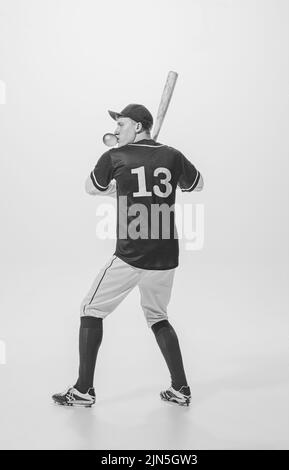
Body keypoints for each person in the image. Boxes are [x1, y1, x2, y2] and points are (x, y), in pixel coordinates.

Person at [52, 104, 204, 408]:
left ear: (137, 126)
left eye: (121, 124)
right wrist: (165, 172)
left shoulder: (115, 157)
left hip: (131, 256)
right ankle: (181, 389)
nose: (116, 130)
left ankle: (83, 390)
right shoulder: (172, 154)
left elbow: (90, 188)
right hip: (166, 256)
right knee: (158, 317)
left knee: (90, 309)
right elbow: (197, 184)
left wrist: (117, 188)